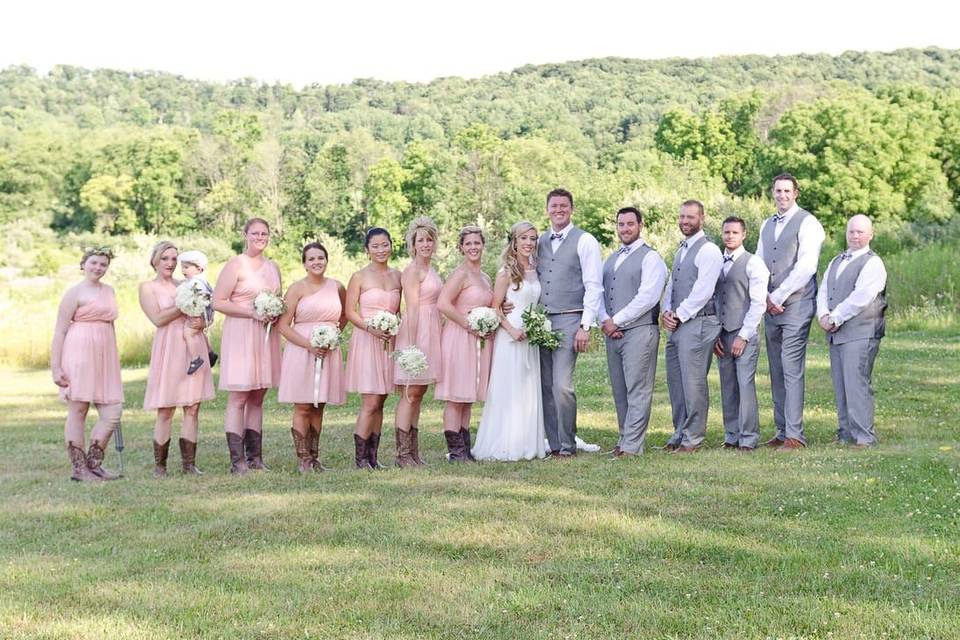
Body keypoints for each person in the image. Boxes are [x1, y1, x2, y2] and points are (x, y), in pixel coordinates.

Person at [756, 174, 825, 450]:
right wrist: (763, 297)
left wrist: (778, 295)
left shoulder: (808, 223)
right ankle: (782, 430)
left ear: (796, 193)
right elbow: (759, 264)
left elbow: (806, 266)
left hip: (796, 303)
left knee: (791, 365)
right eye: (777, 190)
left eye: (787, 190)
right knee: (775, 366)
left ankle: (795, 434)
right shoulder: (766, 224)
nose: (782, 195)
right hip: (770, 305)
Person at [535, 188, 603, 458]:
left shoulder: (585, 241)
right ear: (547, 209)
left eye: (564, 205)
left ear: (572, 209)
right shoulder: (539, 240)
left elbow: (593, 285)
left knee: (563, 384)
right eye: (554, 206)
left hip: (570, 319)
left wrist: (586, 326)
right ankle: (554, 442)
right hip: (541, 322)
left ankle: (567, 444)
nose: (559, 210)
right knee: (546, 385)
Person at [212, 218, 283, 474]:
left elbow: (278, 299)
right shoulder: (236, 264)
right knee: (239, 396)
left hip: (266, 335)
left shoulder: (273, 266)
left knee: (258, 395)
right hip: (242, 333)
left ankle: (255, 458)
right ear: (245, 235)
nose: (260, 237)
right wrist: (251, 313)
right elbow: (218, 302)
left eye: (264, 233)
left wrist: (275, 312)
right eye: (255, 233)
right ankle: (237, 461)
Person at [472, 221, 547, 461]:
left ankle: (528, 442)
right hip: (511, 336)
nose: (528, 243)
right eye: (523, 238)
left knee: (528, 388)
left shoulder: (537, 268)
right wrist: (512, 330)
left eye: (533, 239)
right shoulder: (506, 271)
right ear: (514, 241)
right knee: (510, 388)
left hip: (530, 336)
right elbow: (495, 307)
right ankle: (505, 443)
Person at [139, 241, 216, 476]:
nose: (170, 264)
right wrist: (182, 305)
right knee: (166, 408)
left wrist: (204, 320)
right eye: (165, 258)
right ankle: (160, 466)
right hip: (169, 347)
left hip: (193, 344)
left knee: (192, 407)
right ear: (155, 260)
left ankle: (189, 465)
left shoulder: (187, 283)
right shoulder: (147, 288)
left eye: (174, 259)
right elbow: (158, 319)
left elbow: (204, 314)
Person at [598, 207, 667, 457]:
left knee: (637, 388)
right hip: (612, 331)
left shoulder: (651, 258)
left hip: (640, 331)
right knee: (620, 389)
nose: (625, 229)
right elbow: (600, 292)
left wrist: (616, 320)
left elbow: (647, 297)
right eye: (621, 224)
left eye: (630, 224)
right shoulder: (612, 258)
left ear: (641, 225)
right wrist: (605, 320)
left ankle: (632, 446)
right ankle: (623, 438)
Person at [50, 247, 123, 481]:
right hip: (79, 352)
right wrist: (56, 367)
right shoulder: (74, 293)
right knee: (79, 409)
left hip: (105, 356)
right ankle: (79, 469)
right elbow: (60, 331)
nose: (98, 268)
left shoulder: (109, 291)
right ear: (84, 264)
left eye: (103, 264)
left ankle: (94, 462)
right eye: (93, 263)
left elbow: (110, 324)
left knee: (112, 412)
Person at [817, 214, 887, 448]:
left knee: (856, 383)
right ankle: (845, 432)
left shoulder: (873, 263)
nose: (855, 236)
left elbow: (862, 297)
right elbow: (823, 289)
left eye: (860, 231)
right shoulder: (836, 260)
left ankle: (864, 437)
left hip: (861, 331)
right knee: (841, 383)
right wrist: (823, 314)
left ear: (870, 234)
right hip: (837, 332)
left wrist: (835, 317)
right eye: (851, 231)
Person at [277, 242, 347, 472]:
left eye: (321, 258)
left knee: (319, 405)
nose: (317, 262)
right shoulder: (296, 289)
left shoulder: (337, 287)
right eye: (311, 259)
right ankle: (303, 459)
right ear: (304, 263)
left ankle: (315, 457)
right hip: (301, 350)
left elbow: (345, 315)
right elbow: (283, 326)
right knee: (304, 405)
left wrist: (332, 337)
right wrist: (309, 345)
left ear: (327, 260)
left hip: (327, 350)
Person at [661, 200, 723, 453]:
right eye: (682, 217)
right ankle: (679, 431)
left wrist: (679, 315)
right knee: (676, 381)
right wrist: (666, 311)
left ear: (702, 218)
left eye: (690, 217)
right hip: (677, 323)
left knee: (693, 382)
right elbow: (673, 285)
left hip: (697, 322)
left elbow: (703, 290)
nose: (685, 221)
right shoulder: (681, 250)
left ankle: (693, 437)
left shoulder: (708, 250)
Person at [344, 228, 402, 470]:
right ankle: (360, 460)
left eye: (385, 244)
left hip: (389, 342)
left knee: (381, 399)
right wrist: (371, 328)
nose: (381, 250)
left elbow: (399, 311)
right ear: (367, 250)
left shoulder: (398, 275)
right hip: (368, 340)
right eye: (375, 246)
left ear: (391, 246)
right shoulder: (359, 277)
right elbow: (349, 312)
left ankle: (373, 457)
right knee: (370, 401)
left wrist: (394, 328)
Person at [436, 225, 494, 462]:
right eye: (468, 243)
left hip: (478, 341)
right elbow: (443, 304)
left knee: (468, 396)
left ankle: (465, 450)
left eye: (476, 243)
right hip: (459, 337)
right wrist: (470, 324)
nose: (473, 247)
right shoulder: (460, 275)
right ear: (461, 248)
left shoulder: (485, 277)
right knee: (455, 396)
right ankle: (455, 452)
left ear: (483, 245)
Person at [712, 217, 769, 451]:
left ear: (744, 235)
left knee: (745, 385)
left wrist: (743, 335)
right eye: (726, 232)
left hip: (743, 332)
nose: (730, 236)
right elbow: (713, 299)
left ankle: (748, 437)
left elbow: (758, 304)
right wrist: (714, 333)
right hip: (721, 332)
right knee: (727, 385)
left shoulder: (754, 263)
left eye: (735, 232)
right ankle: (731, 436)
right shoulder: (716, 262)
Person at [393, 217, 443, 467]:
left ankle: (414, 451)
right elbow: (411, 308)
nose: (425, 244)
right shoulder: (412, 271)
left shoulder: (432, 269)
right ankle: (402, 454)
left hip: (432, 330)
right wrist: (412, 346)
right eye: (421, 240)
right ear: (413, 244)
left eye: (429, 239)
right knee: (410, 392)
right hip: (417, 331)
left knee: (420, 392)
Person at [176, 249, 215, 375]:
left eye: (186, 267)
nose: (183, 271)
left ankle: (195, 359)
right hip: (207, 314)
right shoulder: (203, 280)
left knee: (187, 333)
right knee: (199, 331)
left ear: (198, 268)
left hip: (201, 313)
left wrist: (195, 313)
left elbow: (199, 298)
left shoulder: (195, 282)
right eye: (182, 267)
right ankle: (210, 352)